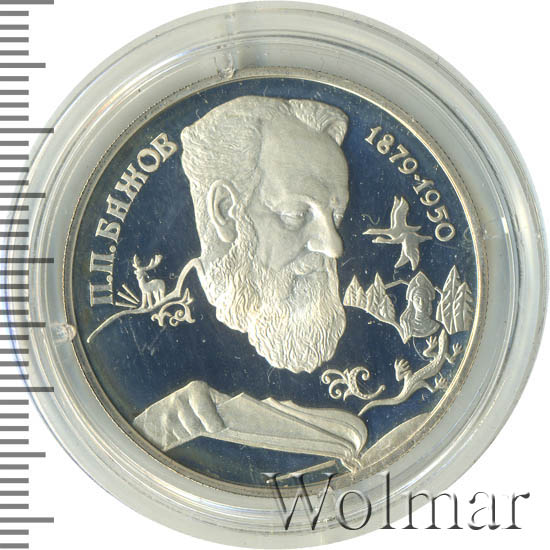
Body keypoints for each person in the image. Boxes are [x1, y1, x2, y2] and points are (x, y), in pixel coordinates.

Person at [133, 96, 368, 470]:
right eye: (295, 215)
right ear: (226, 212)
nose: (333, 246)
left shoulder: (373, 335)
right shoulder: (134, 343)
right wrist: (149, 432)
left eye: (335, 215)